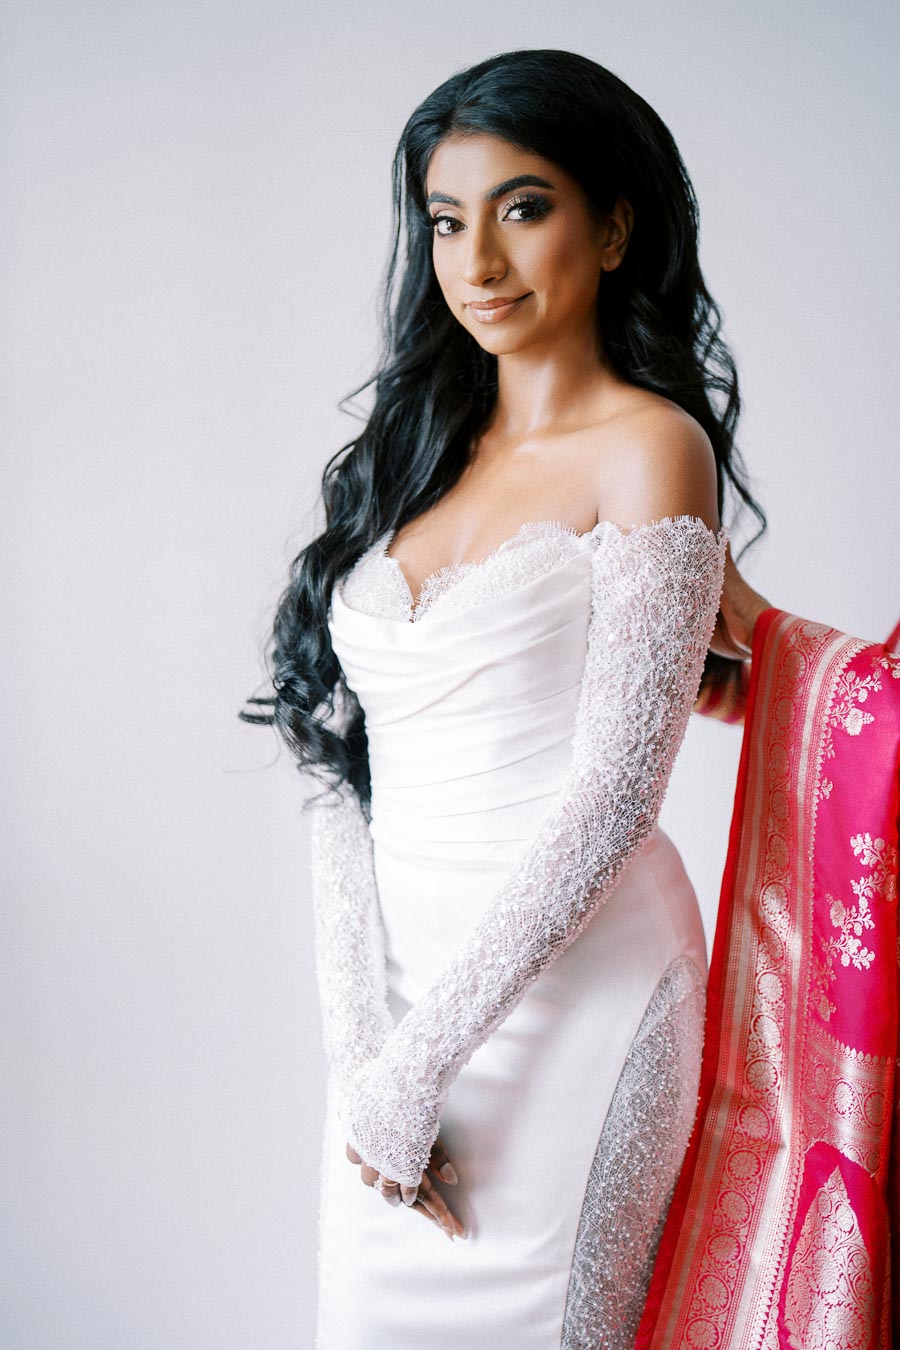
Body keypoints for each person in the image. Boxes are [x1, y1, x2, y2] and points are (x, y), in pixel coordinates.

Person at [243, 48, 771, 1350]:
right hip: (394, 1019)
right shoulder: (407, 454)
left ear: (614, 224)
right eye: (444, 217)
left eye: (523, 207)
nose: (476, 258)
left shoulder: (652, 447)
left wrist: (425, 1065)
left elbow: (611, 800)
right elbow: (340, 774)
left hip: (581, 999)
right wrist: (370, 1058)